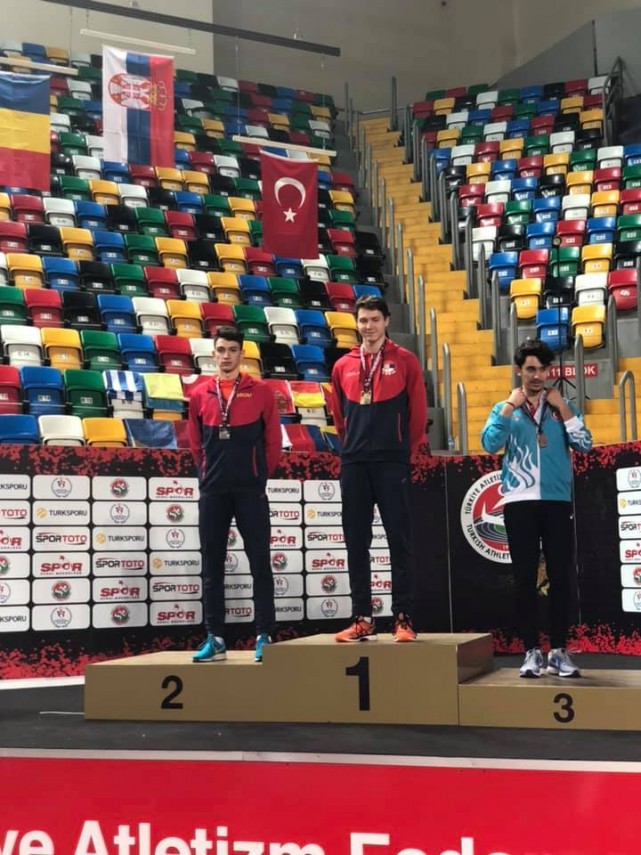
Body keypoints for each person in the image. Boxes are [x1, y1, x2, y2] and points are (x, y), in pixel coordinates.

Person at [481, 338, 593, 678]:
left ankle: (558, 650)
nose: (537, 375)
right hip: (519, 503)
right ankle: (531, 651)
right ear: (520, 371)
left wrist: (565, 409)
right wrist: (508, 407)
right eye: (531, 369)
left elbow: (585, 444)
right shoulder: (506, 407)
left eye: (543, 369)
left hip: (557, 502)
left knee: (560, 577)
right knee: (524, 579)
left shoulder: (561, 406)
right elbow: (490, 444)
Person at [331, 295, 429, 643]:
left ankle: (402, 617)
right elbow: (339, 416)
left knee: (398, 541)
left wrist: (403, 451)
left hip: (392, 462)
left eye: (375, 319)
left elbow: (418, 414)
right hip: (355, 462)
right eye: (363, 320)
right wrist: (352, 447)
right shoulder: (342, 365)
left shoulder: (405, 360)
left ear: (387, 321)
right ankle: (362, 618)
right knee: (356, 542)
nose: (368, 326)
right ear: (356, 324)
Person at [187, 326, 281, 663]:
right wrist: (207, 476)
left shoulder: (262, 392)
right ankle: (215, 637)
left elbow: (273, 442)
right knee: (212, 566)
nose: (226, 356)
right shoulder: (200, 394)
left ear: (242, 354)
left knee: (260, 564)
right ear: (213, 354)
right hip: (213, 490)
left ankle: (264, 634)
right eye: (221, 350)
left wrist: (258, 476)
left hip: (250, 490)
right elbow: (195, 444)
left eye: (232, 350)